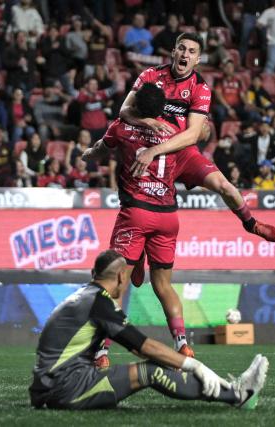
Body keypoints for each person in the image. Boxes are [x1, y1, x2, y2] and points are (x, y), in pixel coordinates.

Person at [119, 33, 275, 284]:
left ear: (198, 59)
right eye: (181, 49)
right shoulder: (151, 75)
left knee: (224, 185)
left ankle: (250, 224)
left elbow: (194, 134)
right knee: (141, 209)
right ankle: (137, 253)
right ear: (173, 52)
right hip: (148, 147)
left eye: (191, 51)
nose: (185, 54)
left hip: (180, 152)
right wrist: (148, 122)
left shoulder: (200, 87)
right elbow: (124, 111)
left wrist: (158, 150)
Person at [29, 249, 269, 410]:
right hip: (64, 390)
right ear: (123, 277)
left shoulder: (83, 296)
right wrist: (196, 365)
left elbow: (140, 349)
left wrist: (174, 362)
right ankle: (238, 395)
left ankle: (233, 391)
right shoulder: (99, 302)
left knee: (156, 363)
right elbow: (143, 345)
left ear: (94, 274)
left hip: (49, 388)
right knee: (151, 371)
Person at [83, 83, 192, 366]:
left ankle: (102, 352)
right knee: (164, 285)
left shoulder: (122, 127)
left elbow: (99, 150)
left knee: (115, 283)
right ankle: (182, 344)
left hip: (136, 212)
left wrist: (87, 155)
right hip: (168, 215)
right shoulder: (178, 129)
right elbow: (200, 131)